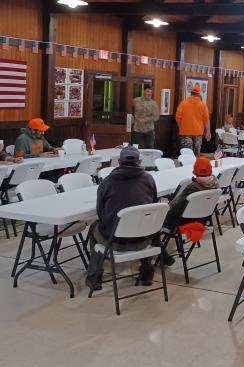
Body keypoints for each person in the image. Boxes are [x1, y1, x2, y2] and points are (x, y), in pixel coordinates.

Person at [86, 147, 161, 290]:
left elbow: (100, 212)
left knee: (94, 227)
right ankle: (147, 272)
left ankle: (95, 277)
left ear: (119, 162)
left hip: (115, 241)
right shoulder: (149, 179)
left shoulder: (107, 182)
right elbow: (153, 205)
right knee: (146, 224)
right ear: (139, 161)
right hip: (144, 240)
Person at [164, 157, 220, 230]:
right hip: (202, 220)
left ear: (194, 171)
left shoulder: (193, 187)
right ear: (210, 170)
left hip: (183, 222)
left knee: (163, 212)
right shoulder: (216, 185)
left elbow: (176, 207)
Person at [175, 84, 211, 156]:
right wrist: (208, 132)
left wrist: (181, 126)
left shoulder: (183, 103)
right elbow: (206, 120)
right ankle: (194, 167)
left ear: (191, 93)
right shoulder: (203, 105)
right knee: (196, 155)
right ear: (199, 94)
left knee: (186, 155)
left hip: (185, 133)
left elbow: (177, 117)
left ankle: (186, 167)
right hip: (198, 133)